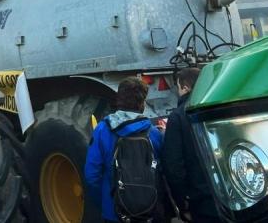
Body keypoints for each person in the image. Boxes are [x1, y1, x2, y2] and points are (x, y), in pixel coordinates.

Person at [85, 77, 164, 223]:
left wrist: (104, 202)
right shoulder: (153, 133)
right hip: (148, 210)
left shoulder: (103, 130)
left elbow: (92, 175)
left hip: (114, 211)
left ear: (119, 99)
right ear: (142, 103)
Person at [161, 68, 219, 223]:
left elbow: (173, 166)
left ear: (185, 87)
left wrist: (182, 203)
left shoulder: (178, 116)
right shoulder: (219, 107)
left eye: (178, 87)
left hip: (201, 201)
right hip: (229, 195)